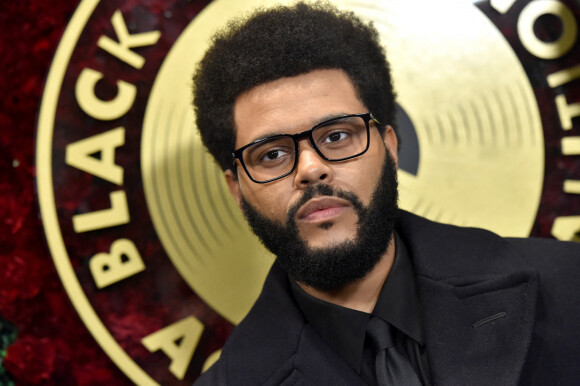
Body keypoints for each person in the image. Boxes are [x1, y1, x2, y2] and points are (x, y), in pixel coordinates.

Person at [191, 2, 580, 385]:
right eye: (272, 154)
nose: (310, 169)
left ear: (390, 148)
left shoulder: (569, 286)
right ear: (237, 190)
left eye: (338, 135)